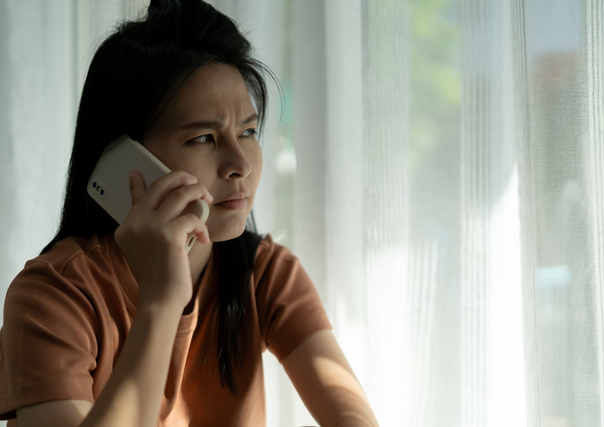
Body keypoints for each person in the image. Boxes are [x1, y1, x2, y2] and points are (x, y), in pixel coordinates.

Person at [0, 1, 379, 426]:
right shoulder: (52, 296)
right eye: (203, 138)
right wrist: (162, 301)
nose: (241, 163)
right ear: (126, 162)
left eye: (248, 131)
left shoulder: (264, 273)